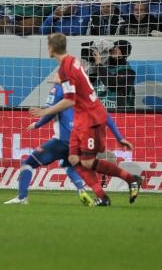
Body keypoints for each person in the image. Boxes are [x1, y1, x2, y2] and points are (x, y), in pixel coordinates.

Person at [30, 33, 143, 206]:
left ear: (51, 48)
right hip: (82, 119)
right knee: (74, 160)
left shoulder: (67, 68)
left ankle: (131, 179)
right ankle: (102, 197)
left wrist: (45, 112)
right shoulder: (73, 62)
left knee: (87, 162)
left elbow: (69, 100)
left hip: (91, 119)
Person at [5, 80, 133, 205]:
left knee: (27, 163)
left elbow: (51, 112)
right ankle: (83, 190)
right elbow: (106, 116)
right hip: (79, 141)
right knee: (71, 166)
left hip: (61, 142)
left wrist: (37, 124)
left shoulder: (58, 89)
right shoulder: (84, 92)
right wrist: (119, 137)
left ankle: (22, 198)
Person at [92, 39, 136, 110]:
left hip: (121, 114)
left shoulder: (129, 72)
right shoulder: (103, 68)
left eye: (118, 47)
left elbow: (112, 84)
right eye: (114, 46)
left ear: (123, 53)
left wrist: (99, 65)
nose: (114, 49)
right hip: (100, 112)